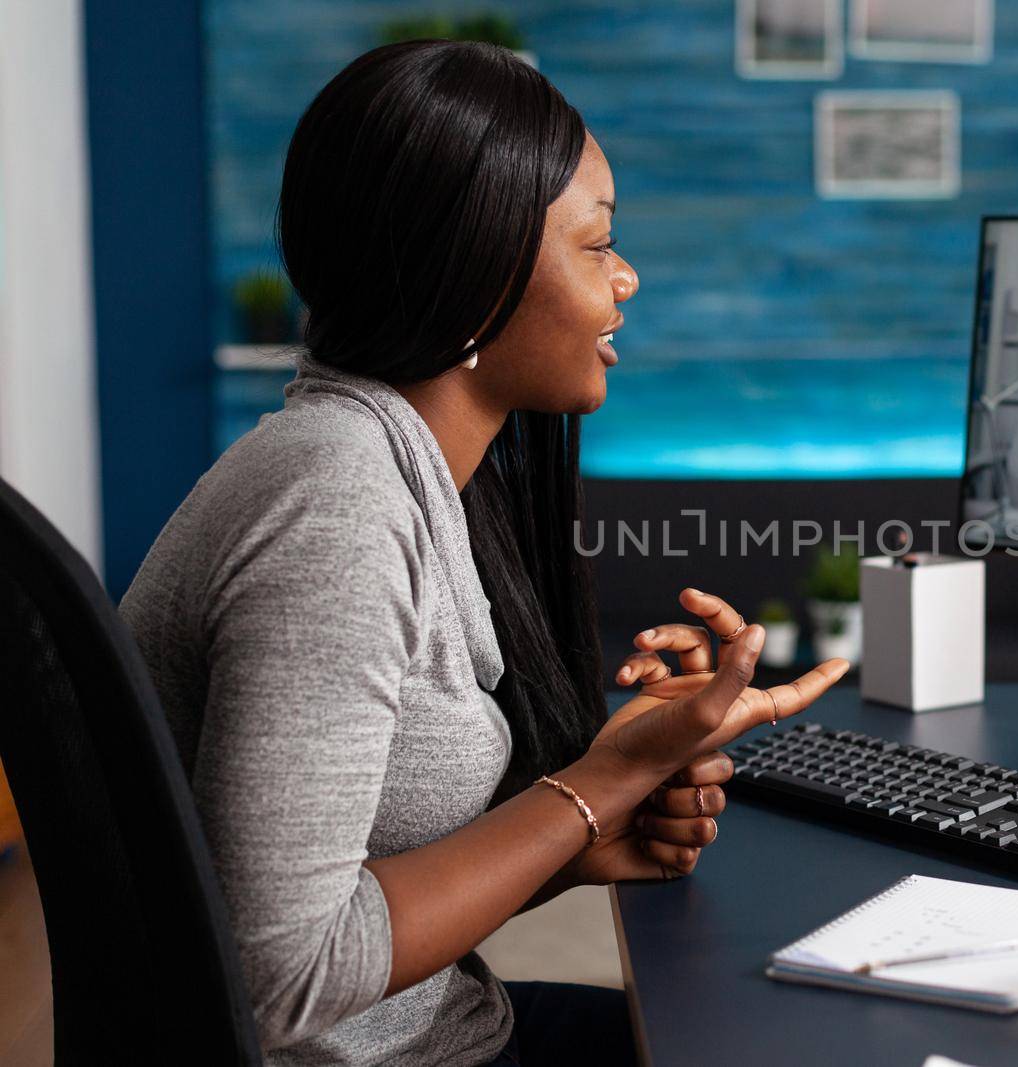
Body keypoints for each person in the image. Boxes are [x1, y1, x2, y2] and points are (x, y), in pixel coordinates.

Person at [118, 42, 847, 1066]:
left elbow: (367, 887)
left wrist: (589, 835)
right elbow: (277, 975)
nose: (626, 277)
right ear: (477, 276)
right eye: (597, 246)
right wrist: (599, 779)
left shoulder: (401, 475)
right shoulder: (337, 511)